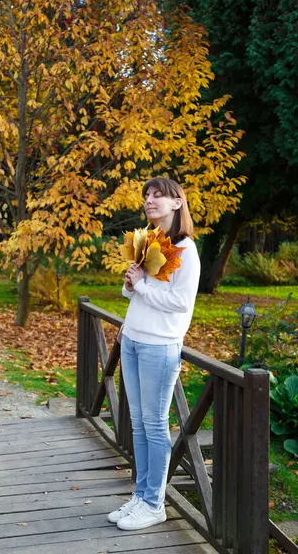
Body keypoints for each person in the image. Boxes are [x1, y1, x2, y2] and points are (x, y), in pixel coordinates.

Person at [107, 177, 201, 531]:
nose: (150, 200)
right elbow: (139, 293)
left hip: (159, 346)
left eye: (158, 195)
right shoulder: (150, 241)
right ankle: (141, 495)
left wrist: (143, 287)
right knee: (138, 423)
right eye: (147, 195)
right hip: (131, 339)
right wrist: (132, 285)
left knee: (155, 425)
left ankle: (154, 503)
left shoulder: (186, 250)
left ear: (177, 203)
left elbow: (180, 303)